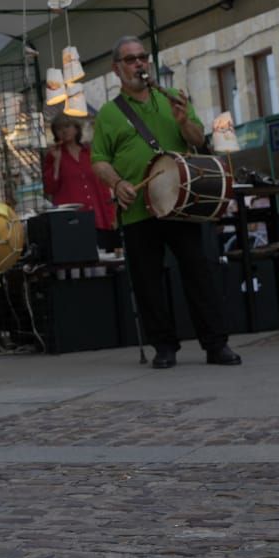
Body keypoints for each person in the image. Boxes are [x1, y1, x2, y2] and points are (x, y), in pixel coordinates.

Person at [90, 37, 242, 369]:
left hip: (180, 202)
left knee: (198, 273)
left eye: (143, 58)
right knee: (148, 281)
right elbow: (99, 160)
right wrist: (117, 183)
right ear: (117, 69)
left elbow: (199, 141)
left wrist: (183, 120)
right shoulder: (108, 114)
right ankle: (164, 346)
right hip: (137, 208)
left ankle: (216, 345)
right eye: (130, 60)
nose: (139, 64)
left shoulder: (172, 99)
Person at [41, 114, 118, 249]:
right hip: (72, 220)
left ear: (76, 129)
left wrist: (111, 214)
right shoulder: (52, 157)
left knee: (104, 258)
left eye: (67, 126)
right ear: (55, 134)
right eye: (59, 129)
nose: (64, 131)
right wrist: (57, 161)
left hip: (98, 215)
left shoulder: (90, 153)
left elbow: (103, 185)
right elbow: (50, 188)